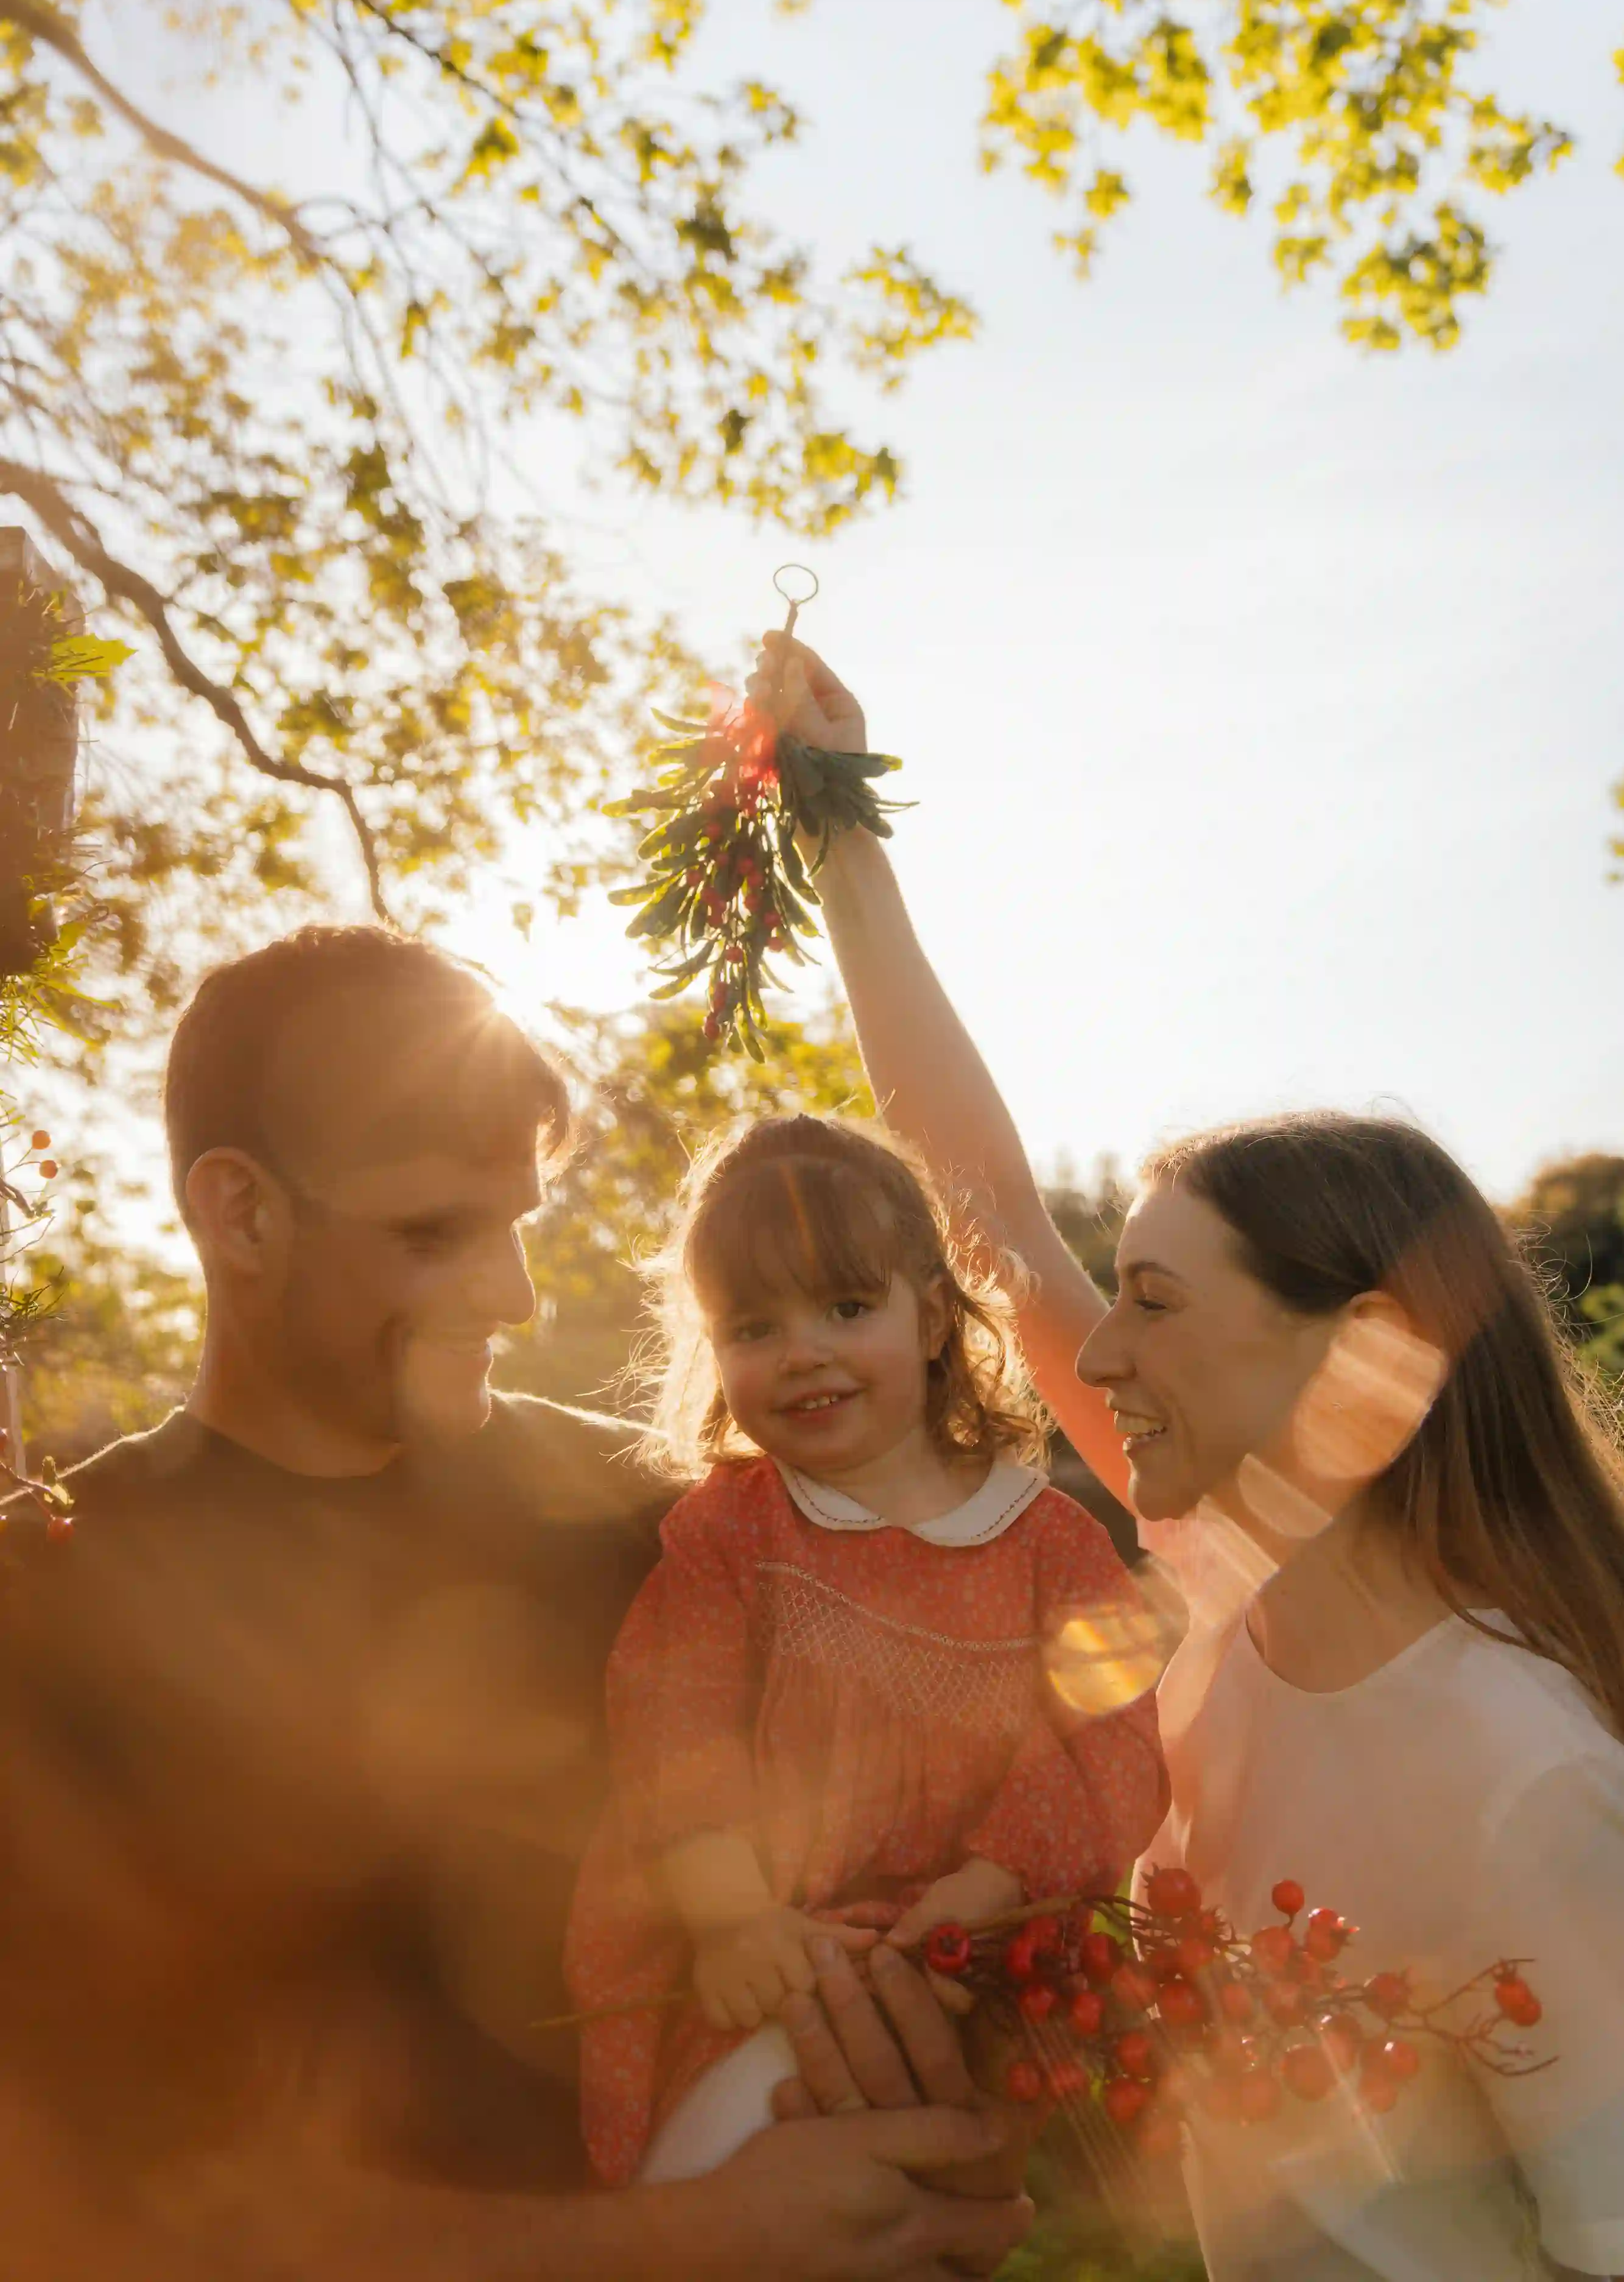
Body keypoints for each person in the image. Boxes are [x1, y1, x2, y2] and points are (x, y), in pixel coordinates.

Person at [743, 629, 1624, 2282]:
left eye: (1151, 1301)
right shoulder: (1227, 1584)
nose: (1101, 1355)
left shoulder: (1532, 1779)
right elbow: (988, 1216)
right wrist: (833, 816)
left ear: (1354, 1345)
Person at [0, 925, 1034, 2282]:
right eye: (434, 1231)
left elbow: (914, 1842)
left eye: (514, 1226)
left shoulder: (671, 1526)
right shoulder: (52, 1606)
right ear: (239, 1211)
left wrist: (917, 2024)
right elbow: (78, 2213)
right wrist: (687, 2241)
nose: (512, 1294)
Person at [564, 1112, 1165, 2185]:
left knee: (916, 2206)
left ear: (933, 1318)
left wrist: (992, 1886)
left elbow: (1114, 1748)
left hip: (971, 1963)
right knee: (730, 2169)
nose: (802, 1353)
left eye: (846, 1307)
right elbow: (673, 1730)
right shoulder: (735, 1529)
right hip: (772, 1958)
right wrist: (735, 1920)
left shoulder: (1048, 1546)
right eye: (753, 1329)